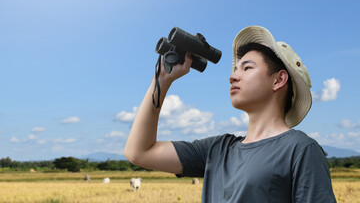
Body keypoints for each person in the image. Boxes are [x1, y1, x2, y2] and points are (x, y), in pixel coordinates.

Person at [124, 26, 336, 202]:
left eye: (247, 68)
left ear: (278, 80)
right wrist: (161, 79)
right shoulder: (216, 150)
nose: (233, 77)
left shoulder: (300, 150)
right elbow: (139, 152)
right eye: (235, 70)